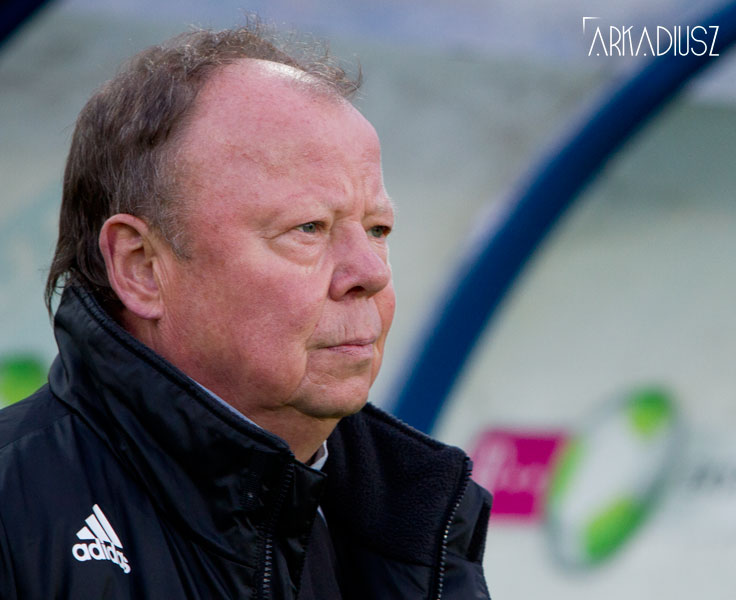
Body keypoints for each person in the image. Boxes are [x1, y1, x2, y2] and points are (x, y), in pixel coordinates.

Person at [0, 25, 491, 599]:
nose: (371, 272)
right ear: (141, 267)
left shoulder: (419, 525)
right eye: (308, 228)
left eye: (378, 229)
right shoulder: (16, 515)